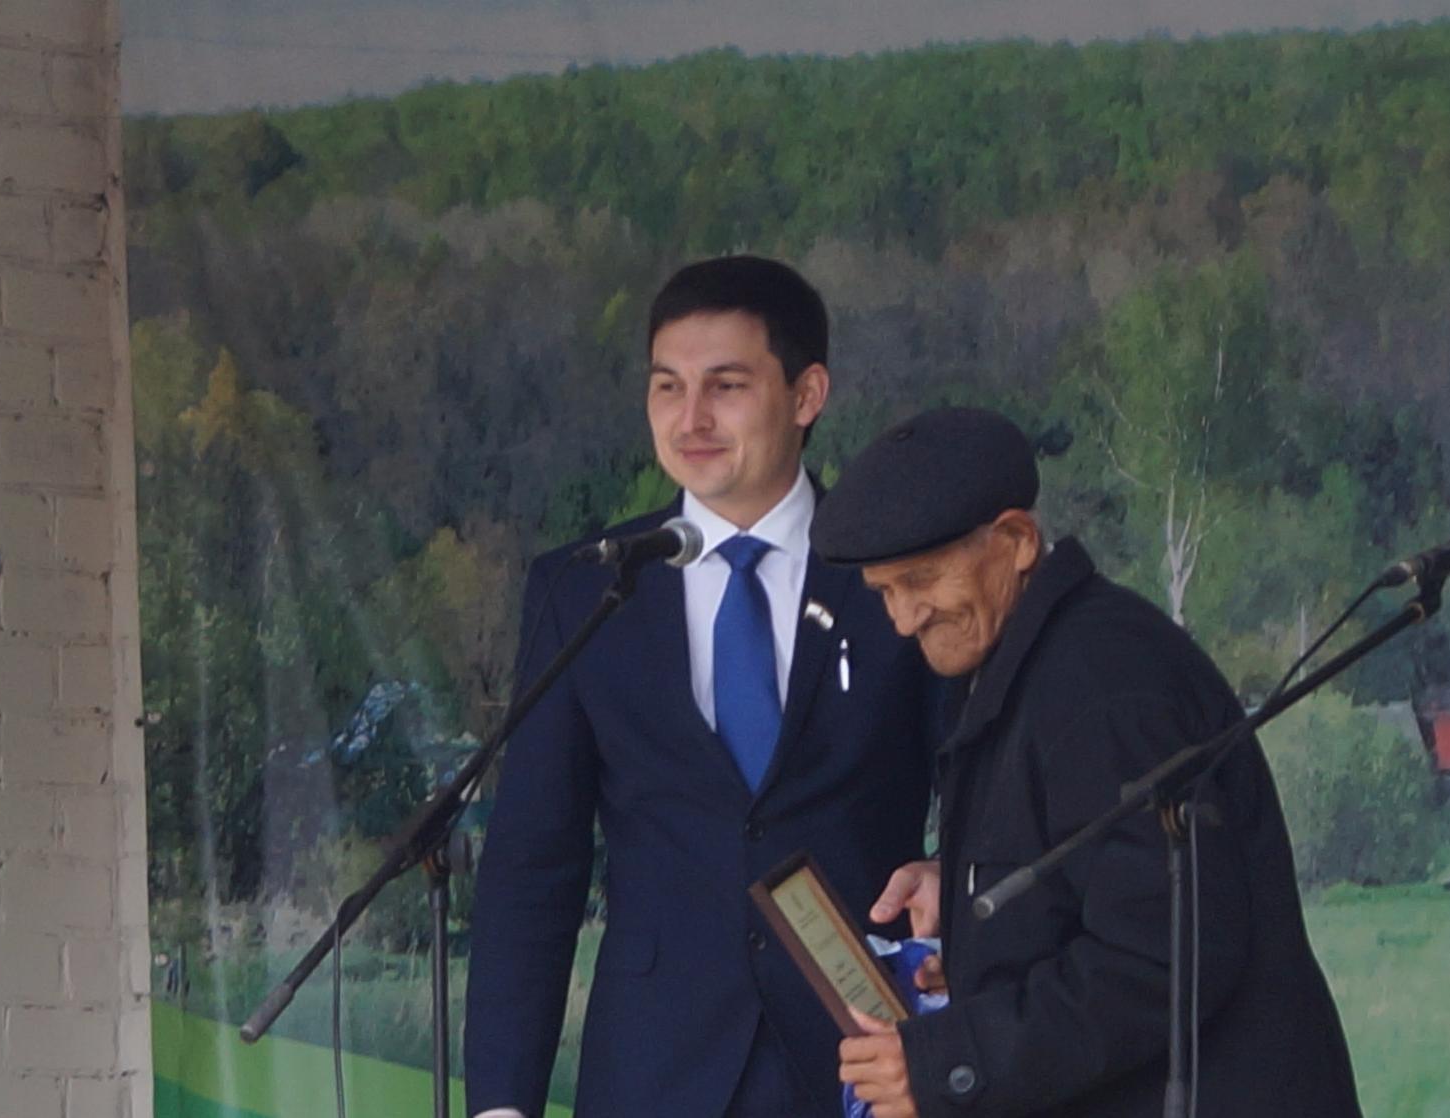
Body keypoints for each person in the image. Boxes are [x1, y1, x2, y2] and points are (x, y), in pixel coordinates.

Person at [464, 256, 943, 1118]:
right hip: (654, 1071)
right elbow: (534, 863)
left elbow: (989, 784)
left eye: (725, 386)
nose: (690, 420)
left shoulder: (893, 573)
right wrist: (502, 1104)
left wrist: (948, 877)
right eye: (667, 388)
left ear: (807, 394)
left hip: (862, 1062)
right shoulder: (585, 589)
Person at [813, 407, 1363, 1118]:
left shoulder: (1107, 686)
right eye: (885, 591)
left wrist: (948, 1062)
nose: (903, 618)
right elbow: (1090, 878)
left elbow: (1162, 955)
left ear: (1016, 542)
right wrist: (972, 906)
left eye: (921, 580)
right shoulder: (1029, 660)